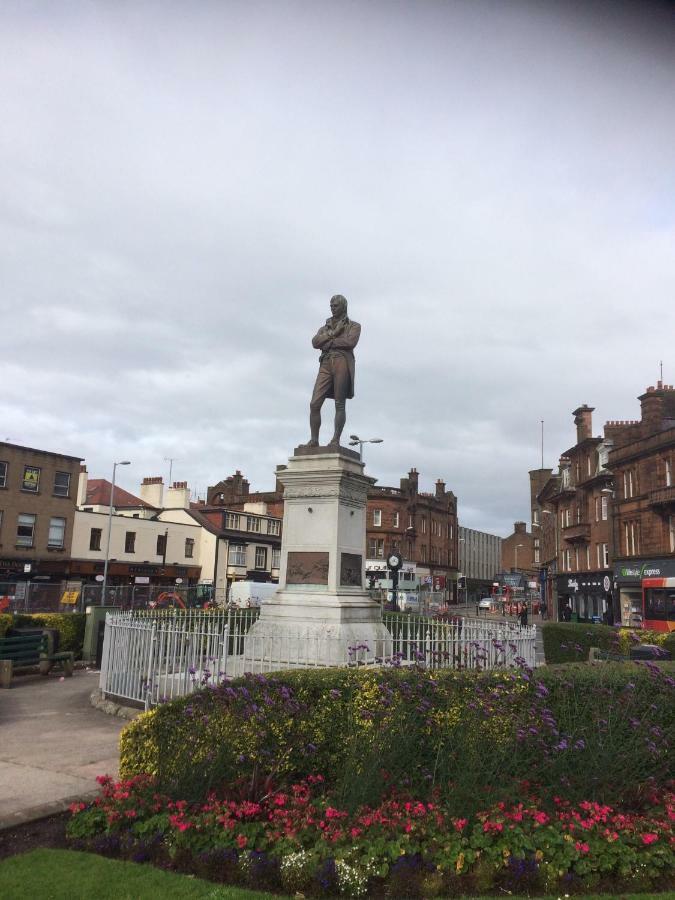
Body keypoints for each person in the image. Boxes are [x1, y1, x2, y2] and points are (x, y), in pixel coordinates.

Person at [303, 295, 361, 447]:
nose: (332, 308)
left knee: (339, 403)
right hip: (326, 363)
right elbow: (315, 342)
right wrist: (334, 334)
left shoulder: (354, 326)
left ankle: (335, 439)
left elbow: (349, 342)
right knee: (314, 403)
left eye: (335, 306)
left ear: (343, 306)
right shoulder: (325, 327)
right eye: (331, 305)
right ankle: (314, 439)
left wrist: (327, 343)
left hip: (342, 361)